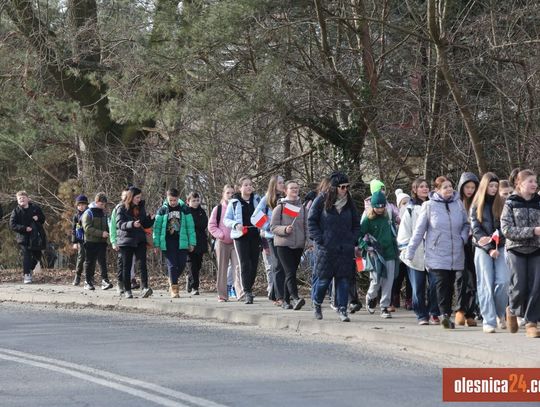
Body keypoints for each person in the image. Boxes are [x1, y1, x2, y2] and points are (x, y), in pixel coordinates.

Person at [406, 176, 470, 329]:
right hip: (436, 253)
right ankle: (444, 315)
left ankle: (445, 313)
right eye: (445, 187)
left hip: (455, 252)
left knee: (450, 285)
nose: (449, 189)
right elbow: (419, 231)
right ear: (437, 190)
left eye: (450, 186)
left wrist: (462, 238)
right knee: (441, 284)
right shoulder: (429, 206)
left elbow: (466, 224)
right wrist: (410, 251)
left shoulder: (458, 204)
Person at [308, 172, 361, 322]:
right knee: (323, 280)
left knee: (343, 280)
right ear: (334, 188)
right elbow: (311, 221)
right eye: (342, 187)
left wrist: (353, 239)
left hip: (345, 248)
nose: (345, 190)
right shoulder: (321, 200)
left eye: (347, 186)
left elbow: (356, 223)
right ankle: (317, 303)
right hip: (326, 248)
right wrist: (320, 239)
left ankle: (342, 308)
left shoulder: (349, 202)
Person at [501, 169, 540, 338]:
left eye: (535, 181)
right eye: (530, 181)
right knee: (518, 285)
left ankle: (531, 322)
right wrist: (533, 231)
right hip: (516, 248)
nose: (534, 184)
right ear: (519, 183)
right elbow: (506, 229)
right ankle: (512, 309)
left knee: (536, 286)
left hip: (537, 248)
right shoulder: (510, 202)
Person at [470, 173, 509, 333]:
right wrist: (489, 248)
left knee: (503, 281)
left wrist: (498, 242)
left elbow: (505, 226)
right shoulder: (476, 205)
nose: (493, 189)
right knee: (485, 283)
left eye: (496, 186)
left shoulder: (503, 203)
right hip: (482, 248)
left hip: (500, 246)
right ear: (484, 186)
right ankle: (489, 320)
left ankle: (500, 313)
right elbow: (476, 229)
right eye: (491, 186)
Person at [397, 178, 440, 325]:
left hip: (433, 253)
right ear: (414, 190)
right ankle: (421, 314)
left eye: (426, 186)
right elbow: (404, 231)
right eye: (421, 186)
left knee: (435, 284)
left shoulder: (435, 206)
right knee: (418, 287)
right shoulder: (410, 209)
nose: (425, 189)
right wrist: (406, 249)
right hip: (416, 254)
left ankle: (434, 312)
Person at [360, 191, 399, 319]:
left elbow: (393, 232)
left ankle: (384, 307)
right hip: (376, 253)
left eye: (382, 206)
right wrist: (366, 247)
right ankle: (370, 297)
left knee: (389, 281)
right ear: (372, 206)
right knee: (376, 280)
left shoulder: (388, 217)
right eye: (377, 207)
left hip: (390, 252)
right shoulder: (368, 220)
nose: (380, 209)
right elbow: (359, 236)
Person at [224, 176, 261, 304]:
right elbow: (226, 220)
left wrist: (262, 225)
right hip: (241, 236)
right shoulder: (234, 202)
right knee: (245, 263)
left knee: (254, 264)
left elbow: (264, 214)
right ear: (239, 188)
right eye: (245, 185)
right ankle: (247, 292)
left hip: (255, 234)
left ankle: (249, 286)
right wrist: (236, 225)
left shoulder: (257, 199)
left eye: (250, 184)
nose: (249, 187)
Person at [270, 180, 307, 310]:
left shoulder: (303, 208)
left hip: (298, 245)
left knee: (290, 273)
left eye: (297, 188)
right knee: (290, 272)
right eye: (292, 188)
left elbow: (307, 226)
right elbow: (273, 227)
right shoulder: (280, 207)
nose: (295, 190)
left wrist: (309, 242)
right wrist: (285, 229)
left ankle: (286, 301)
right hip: (283, 245)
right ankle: (295, 298)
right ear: (285, 191)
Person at [153, 188, 196, 298]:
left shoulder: (185, 209)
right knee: (172, 264)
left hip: (182, 240)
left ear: (178, 198)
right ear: (167, 198)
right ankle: (174, 289)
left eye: (174, 200)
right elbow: (157, 228)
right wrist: (156, 244)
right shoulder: (162, 210)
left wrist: (192, 243)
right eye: (170, 200)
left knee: (181, 264)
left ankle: (171, 278)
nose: (172, 202)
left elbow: (190, 227)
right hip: (167, 241)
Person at [252, 175, 286, 304]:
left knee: (283, 265)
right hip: (272, 237)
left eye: (283, 182)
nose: (282, 185)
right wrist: (268, 227)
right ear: (274, 185)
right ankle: (279, 296)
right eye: (280, 183)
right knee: (277, 265)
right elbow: (254, 217)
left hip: (285, 236)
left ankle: (275, 294)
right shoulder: (266, 199)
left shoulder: (285, 198)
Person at [116, 186, 154, 298]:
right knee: (126, 266)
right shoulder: (121, 207)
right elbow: (119, 224)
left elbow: (144, 224)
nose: (139, 199)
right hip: (126, 240)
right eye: (137, 197)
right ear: (131, 197)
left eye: (140, 197)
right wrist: (132, 224)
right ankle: (127, 290)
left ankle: (145, 288)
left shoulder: (141, 207)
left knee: (143, 264)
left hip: (140, 239)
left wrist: (150, 219)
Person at [208, 185, 241, 302]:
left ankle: (240, 293)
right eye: (228, 193)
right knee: (222, 269)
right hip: (222, 242)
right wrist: (220, 234)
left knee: (237, 267)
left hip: (235, 242)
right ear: (223, 194)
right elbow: (211, 226)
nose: (230, 195)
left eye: (232, 193)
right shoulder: (218, 209)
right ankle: (222, 295)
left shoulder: (238, 207)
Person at [456, 171, 480, 327]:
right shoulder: (456, 203)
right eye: (467, 187)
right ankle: (460, 310)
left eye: (473, 187)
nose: (470, 190)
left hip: (475, 244)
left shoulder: (478, 202)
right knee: (461, 277)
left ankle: (470, 312)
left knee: (473, 278)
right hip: (460, 243)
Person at [10, 191, 46, 284]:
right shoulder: (16, 211)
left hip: (36, 237)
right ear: (17, 201)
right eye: (20, 198)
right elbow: (12, 225)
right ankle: (27, 275)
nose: (21, 199)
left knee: (38, 256)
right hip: (23, 237)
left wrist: (38, 218)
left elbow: (43, 219)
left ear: (27, 199)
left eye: (23, 198)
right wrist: (24, 228)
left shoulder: (35, 208)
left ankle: (30, 269)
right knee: (27, 255)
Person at [82, 192, 112, 291]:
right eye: (101, 204)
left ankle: (105, 281)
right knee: (90, 262)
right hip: (90, 241)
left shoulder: (104, 213)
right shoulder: (88, 212)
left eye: (104, 204)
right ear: (96, 202)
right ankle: (87, 281)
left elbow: (107, 226)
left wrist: (108, 236)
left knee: (102, 262)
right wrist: (101, 233)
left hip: (102, 242)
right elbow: (87, 228)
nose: (103, 206)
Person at [110, 188, 138, 293]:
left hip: (131, 240)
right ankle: (120, 283)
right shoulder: (118, 208)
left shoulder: (134, 208)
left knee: (131, 262)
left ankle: (131, 280)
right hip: (120, 239)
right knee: (121, 262)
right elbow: (113, 226)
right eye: (124, 195)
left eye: (128, 195)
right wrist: (113, 241)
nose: (126, 197)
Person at [186, 192, 208, 295]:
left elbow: (204, 224)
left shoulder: (201, 211)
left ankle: (189, 279)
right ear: (188, 201)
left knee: (198, 264)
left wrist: (195, 224)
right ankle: (195, 287)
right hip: (190, 241)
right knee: (192, 264)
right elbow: (187, 225)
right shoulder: (186, 212)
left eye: (197, 200)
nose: (196, 203)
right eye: (193, 201)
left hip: (201, 241)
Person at [71, 195, 88, 286]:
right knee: (81, 258)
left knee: (90, 259)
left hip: (90, 239)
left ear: (86, 205)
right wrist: (74, 242)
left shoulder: (90, 213)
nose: (81, 207)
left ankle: (89, 277)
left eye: (83, 205)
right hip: (81, 240)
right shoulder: (76, 216)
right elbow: (74, 229)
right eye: (79, 205)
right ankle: (77, 276)